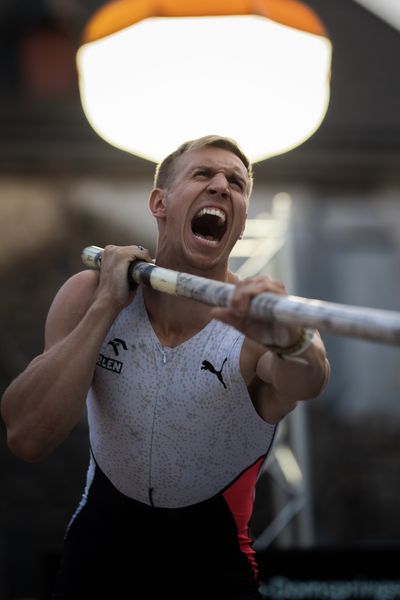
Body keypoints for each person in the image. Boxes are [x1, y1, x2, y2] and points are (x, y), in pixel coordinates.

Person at [1, 135, 330, 599]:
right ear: (160, 203)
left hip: (215, 575)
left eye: (236, 183)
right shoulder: (88, 294)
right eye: (203, 174)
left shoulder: (261, 324)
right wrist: (106, 307)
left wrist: (291, 340)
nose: (221, 186)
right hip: (97, 570)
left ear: (240, 225)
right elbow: (27, 436)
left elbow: (309, 378)